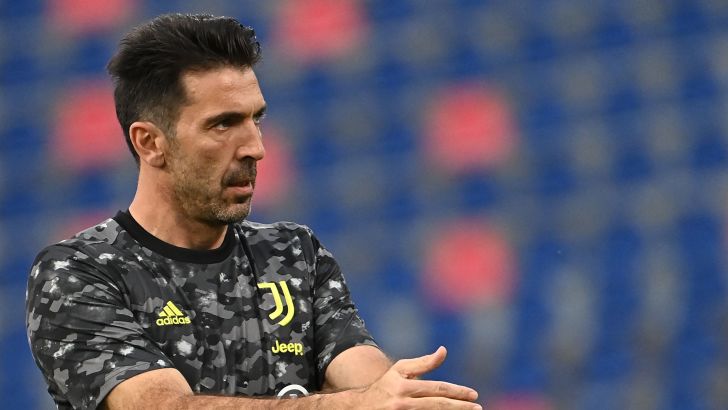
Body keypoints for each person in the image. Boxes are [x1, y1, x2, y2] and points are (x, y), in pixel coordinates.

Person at [25, 13, 481, 410]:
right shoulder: (80, 272)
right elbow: (160, 405)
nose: (256, 148)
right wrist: (348, 403)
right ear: (150, 142)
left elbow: (366, 379)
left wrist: (392, 396)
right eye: (223, 124)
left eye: (255, 119)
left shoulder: (294, 254)